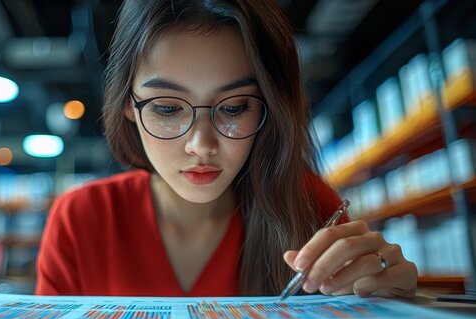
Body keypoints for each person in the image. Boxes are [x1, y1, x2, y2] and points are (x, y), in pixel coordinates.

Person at [35, 0, 418, 298]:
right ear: (126, 106)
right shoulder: (79, 220)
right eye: (167, 108)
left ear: (270, 106)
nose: (201, 145)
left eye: (234, 108)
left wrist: (387, 299)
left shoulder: (305, 203)